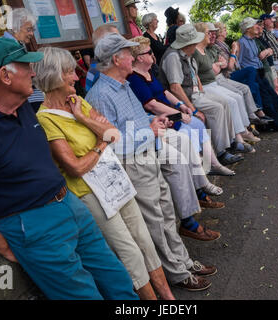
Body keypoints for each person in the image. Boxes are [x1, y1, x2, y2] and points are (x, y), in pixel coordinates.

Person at [0, 37, 138, 300]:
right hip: (34, 224)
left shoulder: (22, 107)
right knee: (84, 296)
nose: (33, 72)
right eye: (25, 66)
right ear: (5, 75)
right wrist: (4, 246)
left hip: (68, 204)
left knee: (117, 280)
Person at [33, 46, 175, 300]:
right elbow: (75, 167)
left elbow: (113, 133)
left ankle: (168, 298)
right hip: (90, 191)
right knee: (128, 250)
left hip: (114, 178)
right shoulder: (46, 119)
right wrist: (101, 145)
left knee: (143, 238)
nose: (77, 78)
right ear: (55, 76)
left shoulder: (78, 102)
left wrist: (83, 118)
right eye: (69, 73)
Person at [85, 32, 218, 291]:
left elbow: (133, 121)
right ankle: (177, 273)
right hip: (133, 163)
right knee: (156, 222)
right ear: (116, 59)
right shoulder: (100, 95)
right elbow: (112, 141)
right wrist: (151, 130)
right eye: (128, 54)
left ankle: (182, 261)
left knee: (167, 214)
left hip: (147, 155)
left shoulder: (122, 85)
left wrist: (152, 122)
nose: (132, 57)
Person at [127, 36, 235, 176]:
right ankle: (199, 174)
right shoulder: (134, 78)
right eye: (149, 52)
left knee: (199, 125)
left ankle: (214, 164)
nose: (153, 54)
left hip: (170, 112)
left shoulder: (148, 71)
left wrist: (180, 104)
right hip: (161, 117)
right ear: (140, 58)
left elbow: (164, 92)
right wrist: (179, 114)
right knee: (188, 132)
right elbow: (151, 105)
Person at [159, 24, 244, 165]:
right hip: (186, 98)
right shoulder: (173, 57)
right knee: (216, 108)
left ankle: (230, 142)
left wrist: (202, 92)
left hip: (196, 93)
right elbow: (175, 88)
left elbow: (195, 75)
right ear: (188, 43)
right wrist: (193, 109)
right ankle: (221, 151)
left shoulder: (187, 54)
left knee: (224, 102)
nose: (197, 43)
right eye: (195, 41)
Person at [193, 22, 259, 153]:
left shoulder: (206, 50)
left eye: (213, 32)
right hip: (207, 85)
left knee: (237, 96)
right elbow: (211, 71)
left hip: (214, 82)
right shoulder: (196, 52)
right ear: (201, 34)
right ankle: (239, 138)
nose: (213, 35)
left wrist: (217, 65)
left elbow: (221, 65)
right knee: (231, 100)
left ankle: (244, 131)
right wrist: (218, 65)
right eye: (209, 32)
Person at [238, 17, 278, 132]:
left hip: (260, 70)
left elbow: (257, 57)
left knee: (273, 96)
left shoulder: (253, 40)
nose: (257, 26)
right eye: (254, 25)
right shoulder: (242, 42)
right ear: (248, 28)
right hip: (253, 73)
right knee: (267, 98)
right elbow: (239, 62)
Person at [3, 8, 44, 112]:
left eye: (33, 30)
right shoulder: (9, 47)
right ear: (15, 27)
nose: (31, 34)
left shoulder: (16, 44)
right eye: (29, 29)